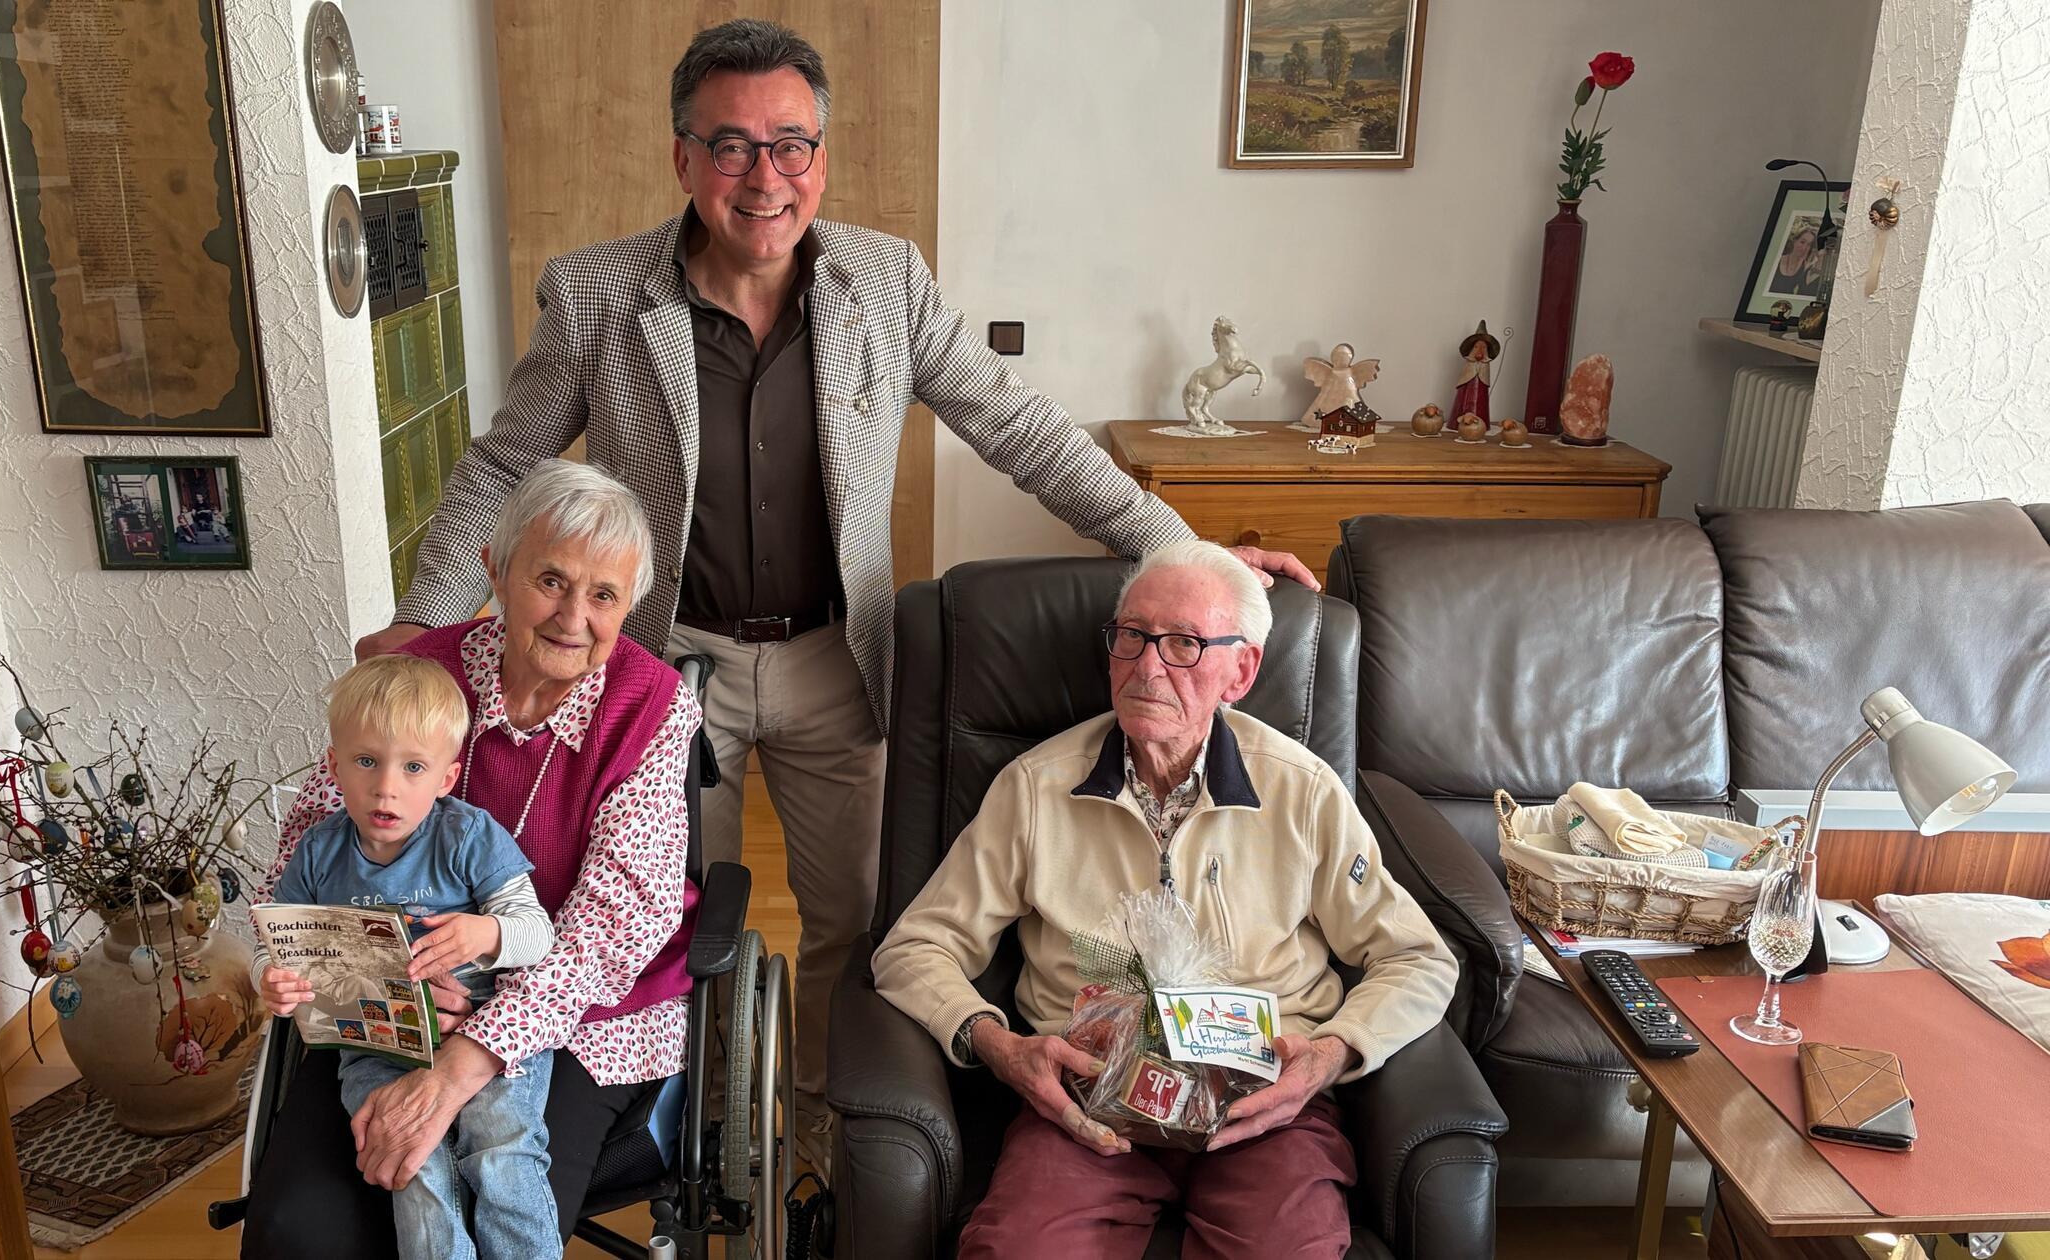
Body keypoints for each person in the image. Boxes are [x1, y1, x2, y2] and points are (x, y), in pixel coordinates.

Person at [347, 19, 1311, 1166]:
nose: (764, 176)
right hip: (667, 664)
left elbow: (1016, 428)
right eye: (731, 145)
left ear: (821, 155)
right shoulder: (599, 293)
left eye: (790, 144)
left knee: (850, 918)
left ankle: (815, 1129)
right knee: (661, 920)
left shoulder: (884, 282)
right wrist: (423, 617)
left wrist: (1187, 555)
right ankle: (691, 1130)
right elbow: (504, 464)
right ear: (682, 156)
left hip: (833, 661)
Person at [872, 541, 1458, 1257]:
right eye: (1132, 636)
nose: (1148, 666)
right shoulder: (1035, 789)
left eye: (1184, 644)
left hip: (1260, 1103)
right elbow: (914, 948)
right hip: (1089, 1100)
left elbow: (1418, 958)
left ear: (1241, 671)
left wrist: (1331, 1055)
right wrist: (999, 1046)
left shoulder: (1302, 792)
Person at [242, 460, 702, 1258]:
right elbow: (311, 848)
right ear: (495, 568)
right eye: (550, 581)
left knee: (507, 1206)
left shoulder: (651, 708)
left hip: (576, 1018)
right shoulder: (416, 677)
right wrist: (388, 989)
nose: (574, 617)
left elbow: (611, 929)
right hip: (388, 1002)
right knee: (300, 1233)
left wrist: (464, 1059)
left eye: (604, 595)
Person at [256, 654, 562, 1260]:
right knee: (412, 1167)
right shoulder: (319, 852)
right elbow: (277, 947)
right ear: (334, 766)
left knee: (500, 1147)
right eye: (366, 761)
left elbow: (539, 934)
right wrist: (271, 982)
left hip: (483, 1028)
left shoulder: (466, 835)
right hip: (374, 1041)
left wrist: (486, 933)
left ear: (446, 778)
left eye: (413, 767)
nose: (386, 787)